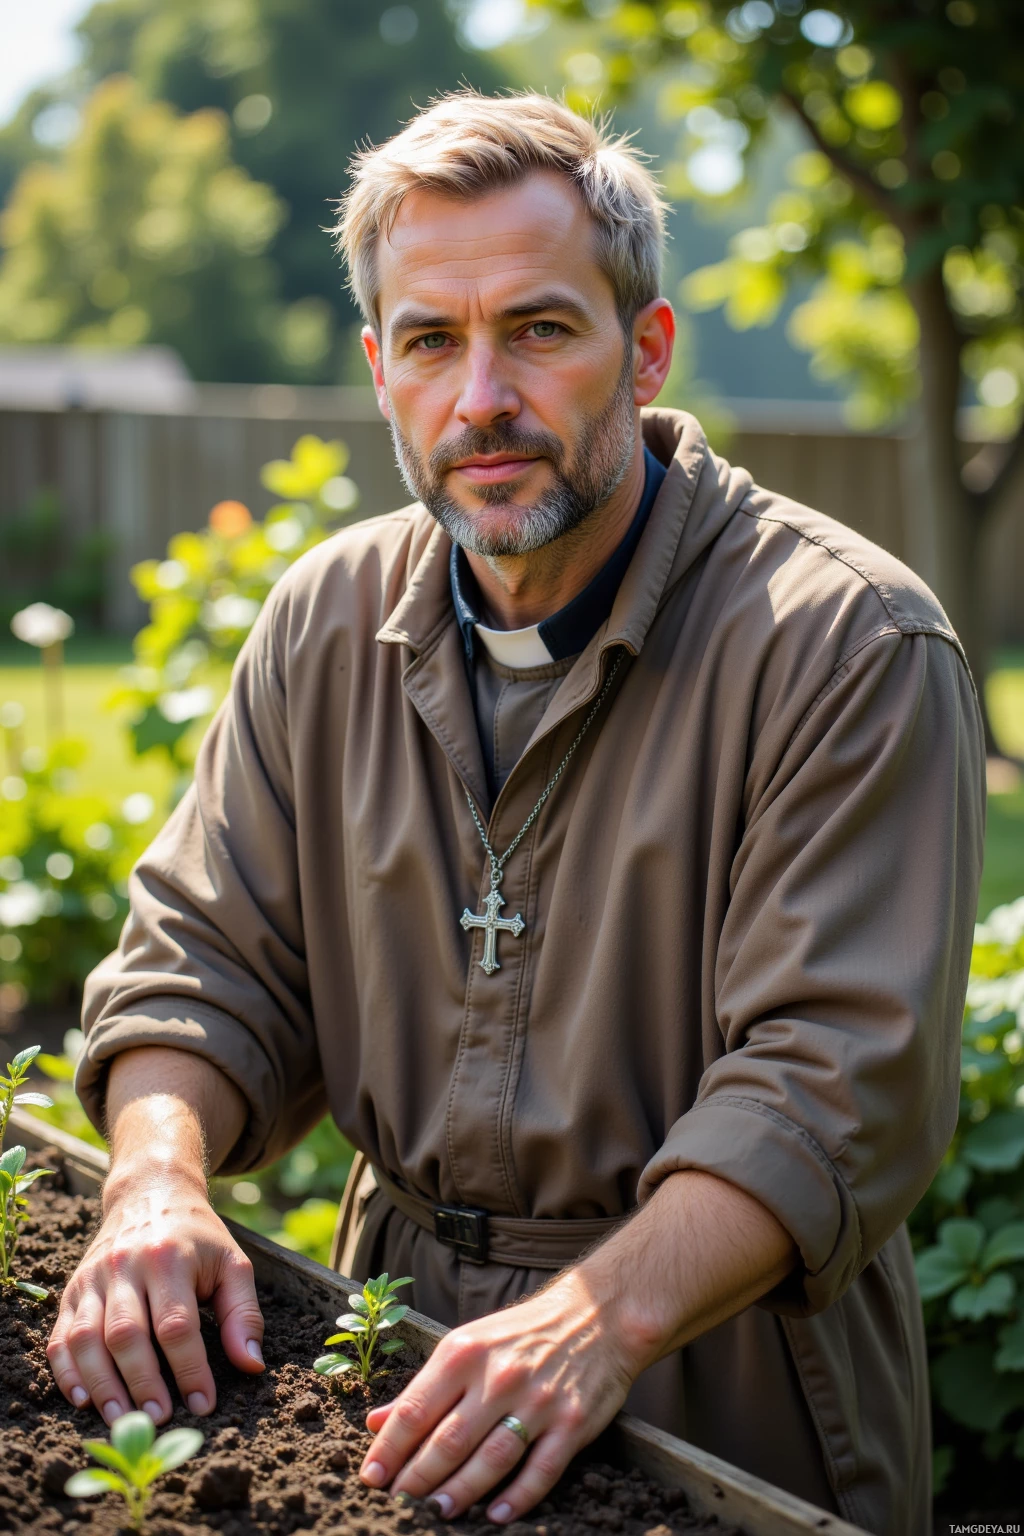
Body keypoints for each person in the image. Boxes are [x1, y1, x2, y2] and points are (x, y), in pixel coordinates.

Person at [50, 92, 984, 1536]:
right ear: (380, 369)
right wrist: (155, 1187)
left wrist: (590, 1324)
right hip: (392, 1354)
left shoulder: (844, 641)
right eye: (431, 340)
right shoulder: (323, 622)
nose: (480, 395)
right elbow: (204, 960)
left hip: (719, 1386)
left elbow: (829, 1087)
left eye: (538, 331)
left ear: (646, 348)